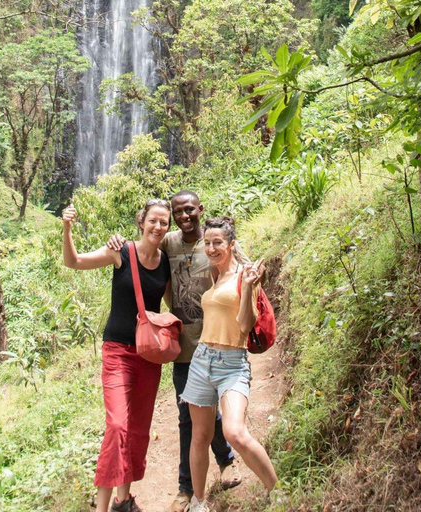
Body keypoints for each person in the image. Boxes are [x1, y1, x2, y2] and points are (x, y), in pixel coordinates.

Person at [107, 191, 243, 512]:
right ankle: (185, 488)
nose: (184, 217)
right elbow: (144, 241)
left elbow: (239, 263)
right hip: (182, 346)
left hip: (213, 341)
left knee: (210, 409)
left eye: (189, 211)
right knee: (187, 416)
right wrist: (117, 242)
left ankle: (225, 461)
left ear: (200, 210)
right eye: (177, 212)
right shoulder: (168, 241)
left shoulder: (213, 241)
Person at [63, 199, 172, 512]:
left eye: (164, 222)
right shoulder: (120, 251)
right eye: (153, 220)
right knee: (117, 427)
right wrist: (67, 227)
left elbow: (174, 303)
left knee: (138, 430)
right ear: (142, 221)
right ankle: (101, 508)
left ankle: (123, 501)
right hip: (118, 353)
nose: (158, 227)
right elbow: (74, 262)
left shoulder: (165, 262)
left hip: (149, 356)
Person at [179, 216, 279, 512]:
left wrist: (249, 287)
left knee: (234, 432)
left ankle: (278, 492)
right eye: (207, 243)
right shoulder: (214, 274)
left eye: (217, 243)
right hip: (201, 361)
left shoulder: (245, 276)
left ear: (232, 245)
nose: (211, 248)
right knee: (200, 436)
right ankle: (198, 503)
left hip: (232, 363)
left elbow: (246, 325)